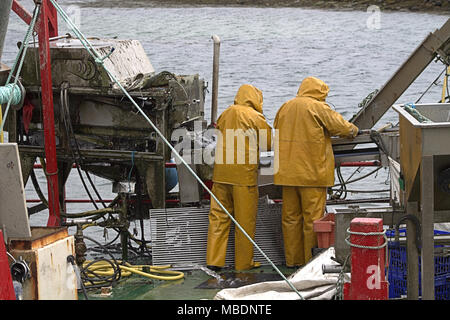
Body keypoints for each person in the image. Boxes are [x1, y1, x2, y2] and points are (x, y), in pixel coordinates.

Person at [273, 76, 358, 267]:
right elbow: (342, 127)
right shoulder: (318, 107)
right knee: (312, 220)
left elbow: (276, 127)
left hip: (287, 174)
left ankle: (293, 262)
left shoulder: (285, 106)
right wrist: (354, 130)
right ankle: (309, 263)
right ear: (320, 93)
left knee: (290, 219)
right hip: (312, 174)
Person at [206, 84, 272, 271]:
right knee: (244, 221)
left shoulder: (226, 113)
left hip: (220, 175)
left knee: (218, 218)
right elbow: (268, 144)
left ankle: (214, 261)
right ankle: (243, 264)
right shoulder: (256, 117)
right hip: (243, 177)